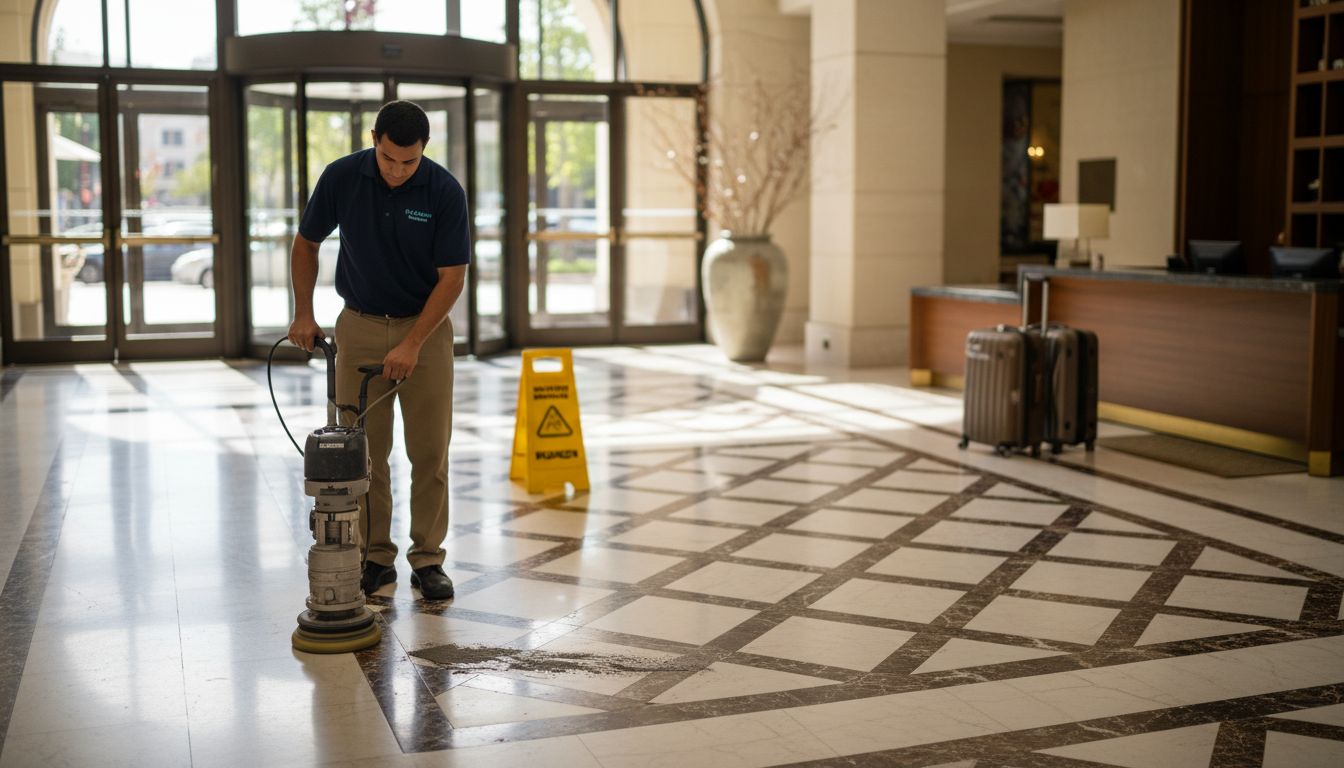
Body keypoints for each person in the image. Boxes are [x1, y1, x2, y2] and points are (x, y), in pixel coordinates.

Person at [287, 100, 468, 601]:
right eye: (389, 158)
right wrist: (304, 312)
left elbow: (452, 279)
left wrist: (413, 343)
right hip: (360, 325)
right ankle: (374, 557)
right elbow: (306, 243)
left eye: (408, 162)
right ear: (374, 139)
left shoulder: (443, 191)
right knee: (364, 453)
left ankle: (428, 559)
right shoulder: (342, 177)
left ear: (423, 151)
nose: (397, 170)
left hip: (425, 333)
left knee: (429, 451)